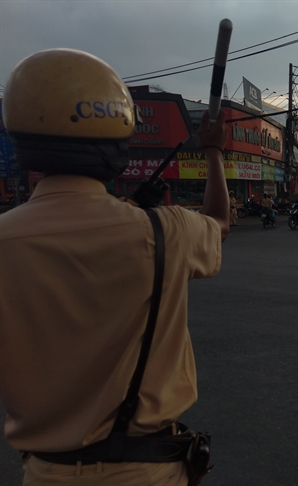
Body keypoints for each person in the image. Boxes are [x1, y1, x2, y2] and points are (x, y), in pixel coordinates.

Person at [0, 48, 230, 485]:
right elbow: (219, 224)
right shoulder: (166, 230)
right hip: (147, 473)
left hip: (45, 474)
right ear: (115, 141)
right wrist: (213, 151)